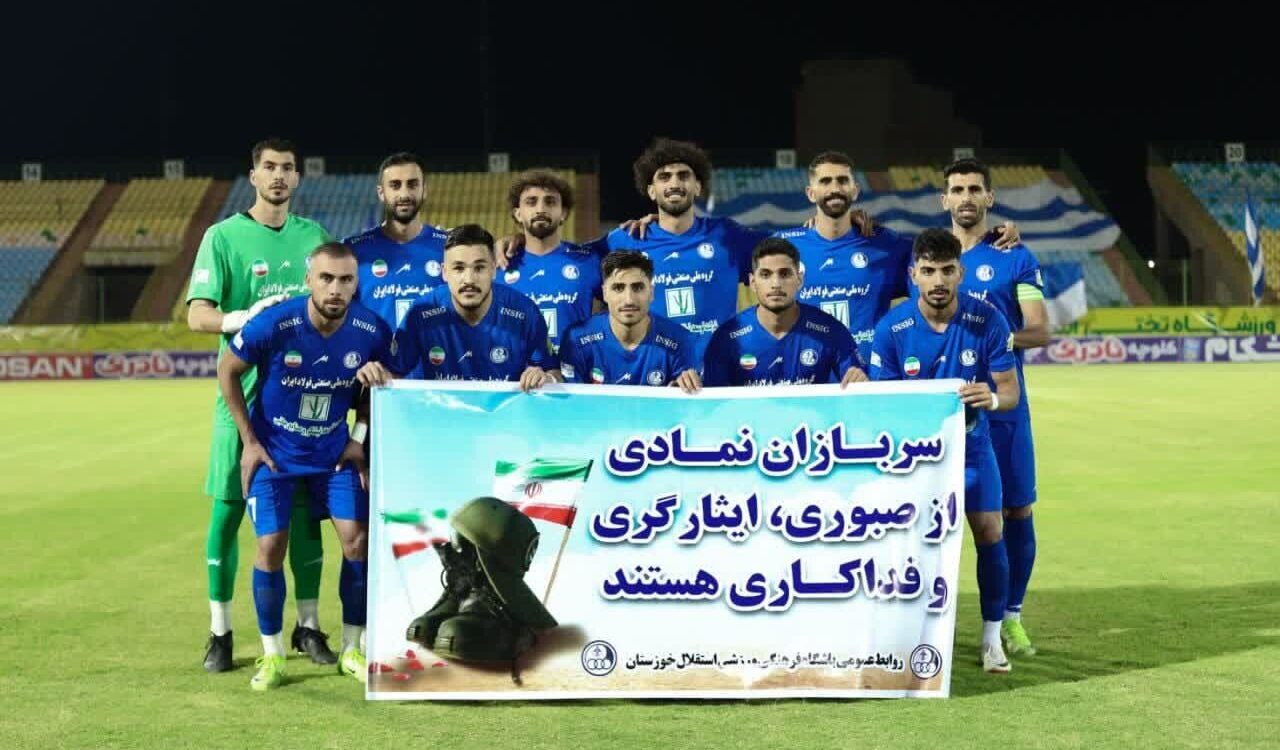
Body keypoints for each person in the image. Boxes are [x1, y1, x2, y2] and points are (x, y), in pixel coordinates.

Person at [186, 138, 335, 672]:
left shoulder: (314, 238)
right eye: (269, 167)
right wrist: (240, 319)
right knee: (228, 513)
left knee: (304, 516)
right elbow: (197, 315)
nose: (278, 176)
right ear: (253, 175)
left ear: (297, 178)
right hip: (242, 403)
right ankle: (220, 632)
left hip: (302, 401)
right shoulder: (222, 237)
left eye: (287, 168)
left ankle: (308, 626)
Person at [217, 242, 393, 690]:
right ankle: (273, 654)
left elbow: (375, 390)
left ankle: (352, 649)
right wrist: (249, 442)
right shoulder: (275, 323)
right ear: (309, 280)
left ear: (356, 283)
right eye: (326, 278)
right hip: (275, 456)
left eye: (346, 280)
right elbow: (227, 369)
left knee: (357, 542)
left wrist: (358, 438)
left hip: (333, 457)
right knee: (270, 545)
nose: (336, 289)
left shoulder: (371, 330)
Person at [869, 228, 1021, 674]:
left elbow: (1010, 393)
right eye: (929, 270)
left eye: (947, 270)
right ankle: (910, 635)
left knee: (990, 531)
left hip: (972, 447)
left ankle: (991, 637)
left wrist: (991, 399)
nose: (938, 280)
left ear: (961, 273)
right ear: (913, 274)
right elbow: (882, 403)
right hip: (914, 457)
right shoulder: (892, 329)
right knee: (910, 543)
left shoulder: (987, 320)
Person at [939, 157, 1049, 656]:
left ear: (988, 197)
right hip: (941, 410)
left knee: (1016, 508)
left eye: (974, 189)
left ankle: (1011, 618)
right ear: (944, 199)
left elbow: (1039, 330)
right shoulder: (926, 256)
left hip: (1003, 404)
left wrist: (990, 340)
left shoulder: (1015, 257)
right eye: (957, 189)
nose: (965, 197)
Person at [387, 224, 559, 391]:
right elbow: (393, 374)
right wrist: (378, 375)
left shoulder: (525, 312)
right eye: (459, 268)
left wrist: (547, 378)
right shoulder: (421, 313)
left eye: (479, 268)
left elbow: (555, 373)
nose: (469, 279)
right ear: (444, 272)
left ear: (493, 270)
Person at [702, 238, 865, 387]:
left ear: (799, 280)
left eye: (785, 274)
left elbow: (861, 389)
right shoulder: (727, 337)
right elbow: (711, 403)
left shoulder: (830, 330)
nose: (776, 284)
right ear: (752, 282)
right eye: (765, 275)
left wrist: (861, 381)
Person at [558, 250, 701, 392]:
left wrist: (683, 390)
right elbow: (572, 401)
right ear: (605, 293)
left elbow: (686, 403)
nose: (629, 300)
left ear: (651, 292)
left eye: (638, 288)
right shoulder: (576, 340)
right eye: (618, 288)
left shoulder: (680, 340)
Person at [494, 169, 602, 351]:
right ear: (518, 213)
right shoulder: (499, 264)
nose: (541, 209)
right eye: (531, 202)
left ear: (563, 213)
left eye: (550, 201)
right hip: (516, 368)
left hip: (575, 368)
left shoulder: (589, 260)